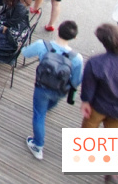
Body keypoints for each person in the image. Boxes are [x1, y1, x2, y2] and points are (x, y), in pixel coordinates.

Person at [22, 20, 84, 161]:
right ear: (74, 38)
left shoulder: (42, 45)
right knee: (51, 103)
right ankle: (49, 107)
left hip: (42, 87)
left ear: (57, 30)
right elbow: (76, 81)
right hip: (60, 90)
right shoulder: (77, 58)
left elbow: (25, 53)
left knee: (39, 115)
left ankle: (38, 145)